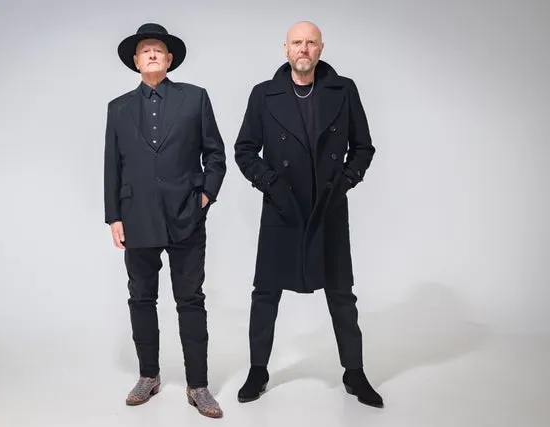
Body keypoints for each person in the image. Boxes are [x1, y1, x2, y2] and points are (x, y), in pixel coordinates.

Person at [233, 21, 383, 408]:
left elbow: (363, 147)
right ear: (285, 49)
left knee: (341, 293)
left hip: (327, 208)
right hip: (282, 207)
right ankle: (257, 371)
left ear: (321, 49)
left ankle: (354, 373)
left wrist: (344, 183)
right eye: (297, 42)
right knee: (265, 293)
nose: (304, 49)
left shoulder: (343, 90)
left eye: (311, 42)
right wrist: (272, 185)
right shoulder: (264, 94)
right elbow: (244, 150)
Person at [103, 23, 226, 418]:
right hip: (136, 216)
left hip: (186, 213)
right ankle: (148, 376)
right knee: (141, 297)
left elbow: (215, 153)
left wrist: (206, 195)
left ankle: (198, 386)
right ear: (136, 61)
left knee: (191, 298)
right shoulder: (118, 108)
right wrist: (113, 217)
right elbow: (112, 166)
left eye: (159, 49)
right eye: (146, 50)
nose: (153, 54)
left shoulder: (195, 98)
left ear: (170, 59)